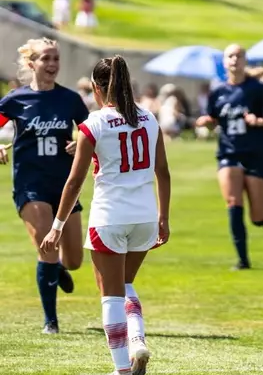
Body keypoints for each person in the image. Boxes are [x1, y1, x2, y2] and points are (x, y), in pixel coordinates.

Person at [41, 55, 171, 375]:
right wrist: (163, 218)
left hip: (110, 216)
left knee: (110, 296)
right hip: (145, 216)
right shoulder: (149, 118)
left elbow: (74, 182)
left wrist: (57, 226)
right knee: (126, 285)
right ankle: (137, 340)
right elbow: (163, 172)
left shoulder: (94, 123)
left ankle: (122, 369)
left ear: (97, 89)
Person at [0, 38, 89, 334]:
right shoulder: (16, 100)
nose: (52, 64)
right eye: (45, 59)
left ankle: (57, 268)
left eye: (55, 59)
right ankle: (51, 321)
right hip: (30, 185)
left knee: (74, 260)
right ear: (31, 63)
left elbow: (91, 133)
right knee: (48, 248)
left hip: (65, 186)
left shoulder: (70, 100)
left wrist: (80, 144)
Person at [195, 45, 263, 270]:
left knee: (255, 216)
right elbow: (213, 116)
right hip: (228, 152)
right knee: (233, 203)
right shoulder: (218, 91)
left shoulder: (257, 89)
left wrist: (260, 121)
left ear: (245, 61)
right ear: (224, 62)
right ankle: (243, 260)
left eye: (239, 56)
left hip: (255, 154)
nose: (235, 60)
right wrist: (206, 121)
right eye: (230, 56)